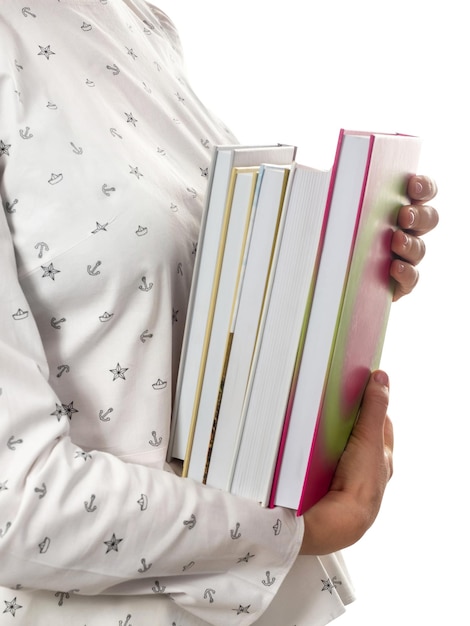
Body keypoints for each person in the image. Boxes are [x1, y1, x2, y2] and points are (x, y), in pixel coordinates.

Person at [0, 1, 438, 625]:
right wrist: (293, 532)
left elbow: (168, 319)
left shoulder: (133, 17)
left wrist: (345, 272)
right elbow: (15, 505)